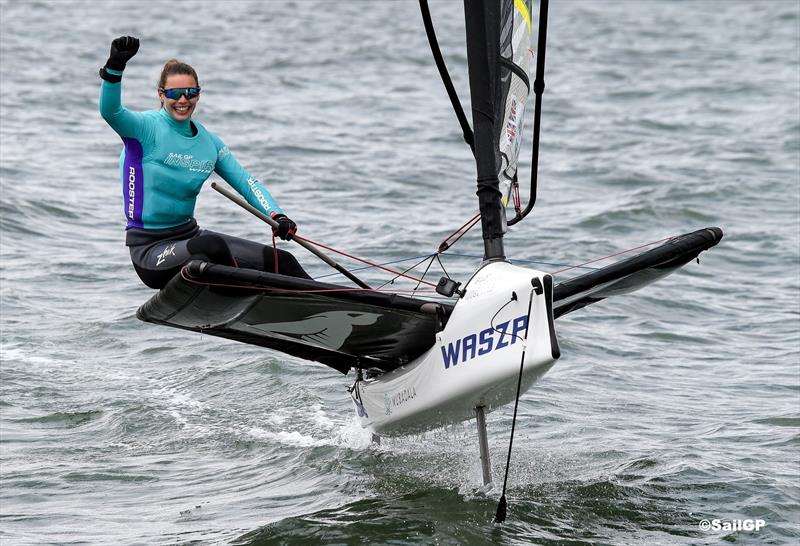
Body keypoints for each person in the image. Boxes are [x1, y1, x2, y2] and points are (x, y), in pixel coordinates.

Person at [99, 36, 311, 289]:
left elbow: (246, 182)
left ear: (198, 95)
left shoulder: (209, 143)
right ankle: (246, 307)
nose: (183, 100)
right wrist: (114, 68)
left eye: (191, 93)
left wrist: (277, 215)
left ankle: (334, 306)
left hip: (189, 238)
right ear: (161, 94)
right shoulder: (144, 130)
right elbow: (110, 111)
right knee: (212, 247)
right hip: (150, 250)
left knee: (282, 261)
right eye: (175, 93)